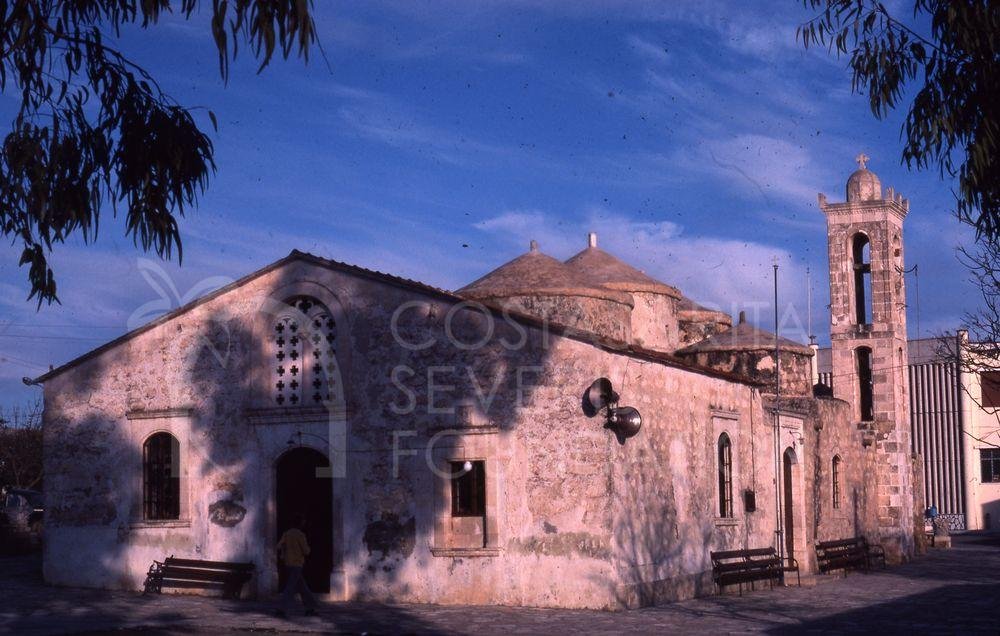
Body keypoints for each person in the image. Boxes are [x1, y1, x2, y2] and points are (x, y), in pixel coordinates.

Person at [276, 514, 318, 617]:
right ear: (300, 523)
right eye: (303, 521)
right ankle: (281, 609)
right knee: (290, 588)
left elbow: (278, 546)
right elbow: (306, 551)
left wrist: (285, 551)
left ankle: (310, 608)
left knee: (303, 588)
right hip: (297, 564)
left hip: (288, 564)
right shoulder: (300, 535)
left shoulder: (286, 533)